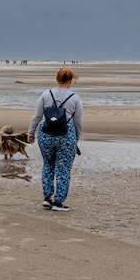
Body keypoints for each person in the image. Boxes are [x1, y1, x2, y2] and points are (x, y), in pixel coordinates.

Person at [26, 67, 84, 211]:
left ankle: (47, 198)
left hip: (46, 134)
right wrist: (76, 139)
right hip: (66, 135)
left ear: (57, 79)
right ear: (71, 80)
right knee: (63, 168)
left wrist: (31, 133)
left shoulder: (46, 95)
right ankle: (58, 202)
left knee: (48, 165)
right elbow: (78, 123)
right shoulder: (75, 98)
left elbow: (37, 117)